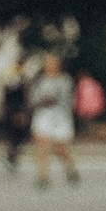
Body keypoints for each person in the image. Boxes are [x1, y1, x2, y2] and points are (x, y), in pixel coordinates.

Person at [26, 58, 80, 187]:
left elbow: (68, 99)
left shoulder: (65, 80)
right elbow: (32, 98)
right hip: (43, 115)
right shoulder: (39, 80)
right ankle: (43, 176)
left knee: (60, 148)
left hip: (60, 116)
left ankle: (70, 168)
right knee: (41, 145)